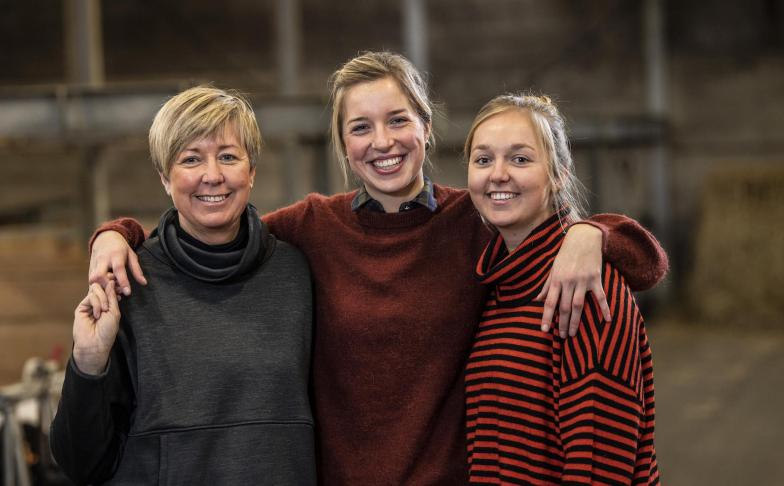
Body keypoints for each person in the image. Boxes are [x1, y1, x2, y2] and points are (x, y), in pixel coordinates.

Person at [87, 52, 667, 484]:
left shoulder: (477, 218)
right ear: (342, 144)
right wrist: (118, 235)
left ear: (425, 128)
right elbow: (213, 227)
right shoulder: (314, 227)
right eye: (360, 127)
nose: (381, 141)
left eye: (398, 120)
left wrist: (593, 231)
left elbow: (644, 262)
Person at [49, 86, 317, 485]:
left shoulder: (297, 274)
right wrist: (88, 363)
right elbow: (81, 463)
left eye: (228, 156)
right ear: (164, 178)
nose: (212, 175)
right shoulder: (129, 281)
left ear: (252, 171)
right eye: (191, 159)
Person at [464, 94, 659, 484]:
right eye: (483, 160)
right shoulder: (499, 284)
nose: (498, 174)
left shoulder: (585, 289)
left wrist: (593, 232)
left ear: (559, 174)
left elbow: (599, 468)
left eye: (520, 159)